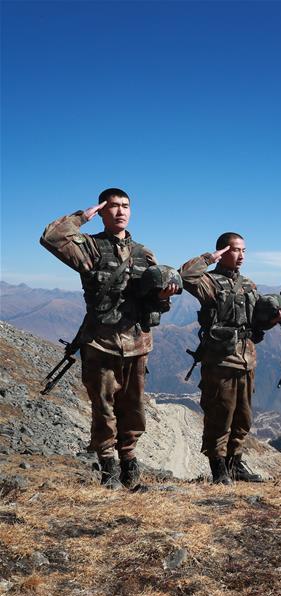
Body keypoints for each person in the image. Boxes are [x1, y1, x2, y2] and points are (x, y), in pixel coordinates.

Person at [39, 188, 178, 489]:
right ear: (102, 211)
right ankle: (108, 469)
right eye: (112, 206)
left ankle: (129, 464)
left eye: (125, 206)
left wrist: (163, 297)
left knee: (134, 407)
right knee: (103, 408)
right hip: (100, 343)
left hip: (137, 344)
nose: (120, 211)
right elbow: (52, 237)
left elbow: (155, 302)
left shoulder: (145, 254)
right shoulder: (89, 247)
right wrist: (82, 216)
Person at [179, 233, 281, 484]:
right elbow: (184, 276)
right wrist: (209, 258)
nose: (241, 256)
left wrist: (274, 320)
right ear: (222, 252)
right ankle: (218, 469)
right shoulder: (209, 282)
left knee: (243, 417)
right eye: (236, 250)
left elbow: (256, 323)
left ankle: (235, 464)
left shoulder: (249, 285)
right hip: (220, 361)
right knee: (220, 415)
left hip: (247, 359)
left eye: (244, 251)